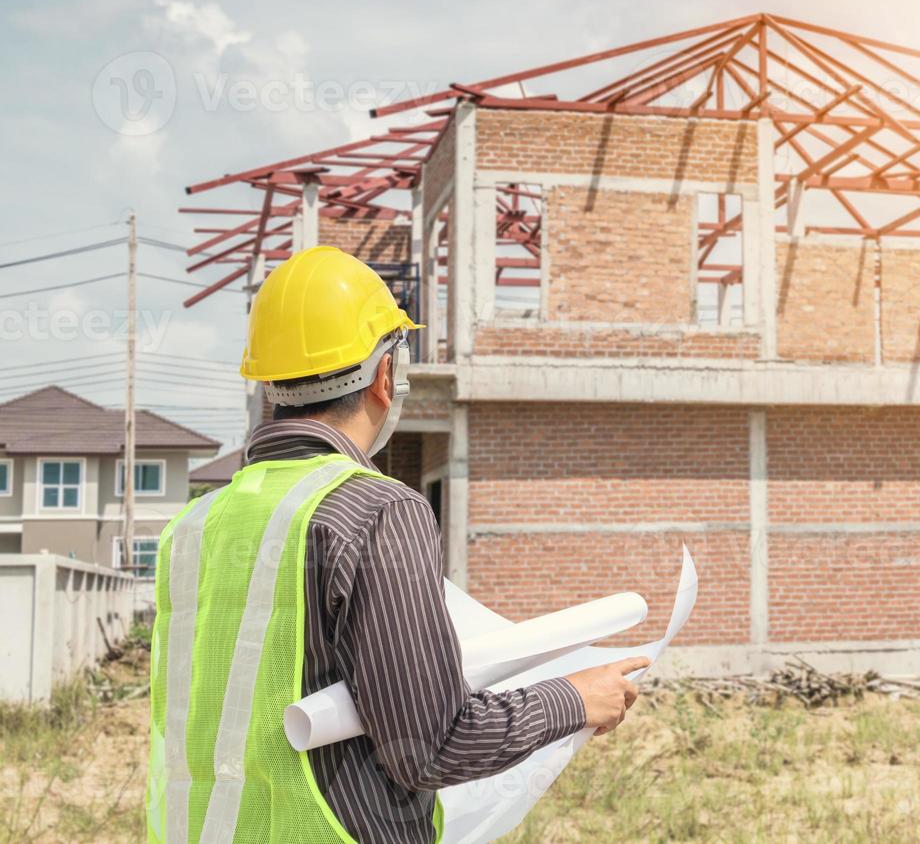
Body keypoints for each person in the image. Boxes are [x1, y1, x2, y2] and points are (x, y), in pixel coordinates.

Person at [146, 246, 646, 843]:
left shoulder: (194, 525)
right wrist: (574, 698)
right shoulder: (377, 509)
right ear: (387, 375)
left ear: (270, 386)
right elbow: (433, 745)